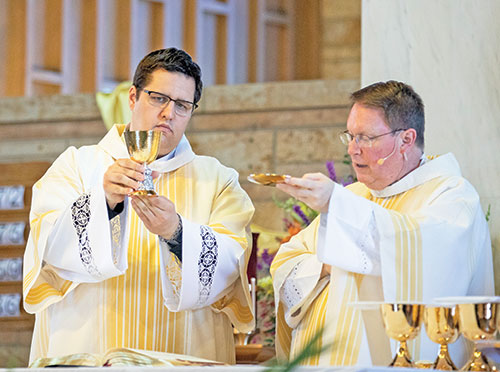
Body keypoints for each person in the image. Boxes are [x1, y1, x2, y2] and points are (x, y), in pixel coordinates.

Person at [23, 48, 255, 364]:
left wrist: (176, 233)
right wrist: (101, 200)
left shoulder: (218, 180)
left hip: (180, 355)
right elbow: (47, 247)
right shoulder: (77, 165)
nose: (168, 114)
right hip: (90, 349)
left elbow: (231, 269)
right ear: (133, 97)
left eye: (182, 105)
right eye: (158, 98)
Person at [271, 81, 494, 366]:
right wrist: (326, 265)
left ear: (406, 140)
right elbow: (287, 259)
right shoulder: (354, 196)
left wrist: (337, 212)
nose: (353, 150)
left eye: (366, 137)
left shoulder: (451, 197)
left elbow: (425, 258)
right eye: (350, 136)